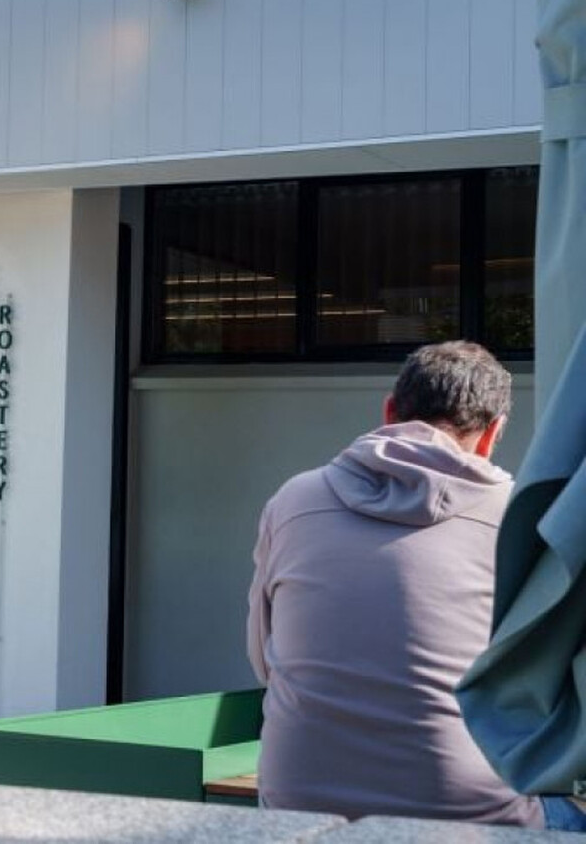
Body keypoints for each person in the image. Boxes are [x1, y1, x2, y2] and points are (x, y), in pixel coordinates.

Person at [247, 341, 586, 831]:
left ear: (390, 411)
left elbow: (265, 660)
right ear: (493, 433)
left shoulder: (292, 501)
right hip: (476, 814)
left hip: (298, 804)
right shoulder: (517, 518)